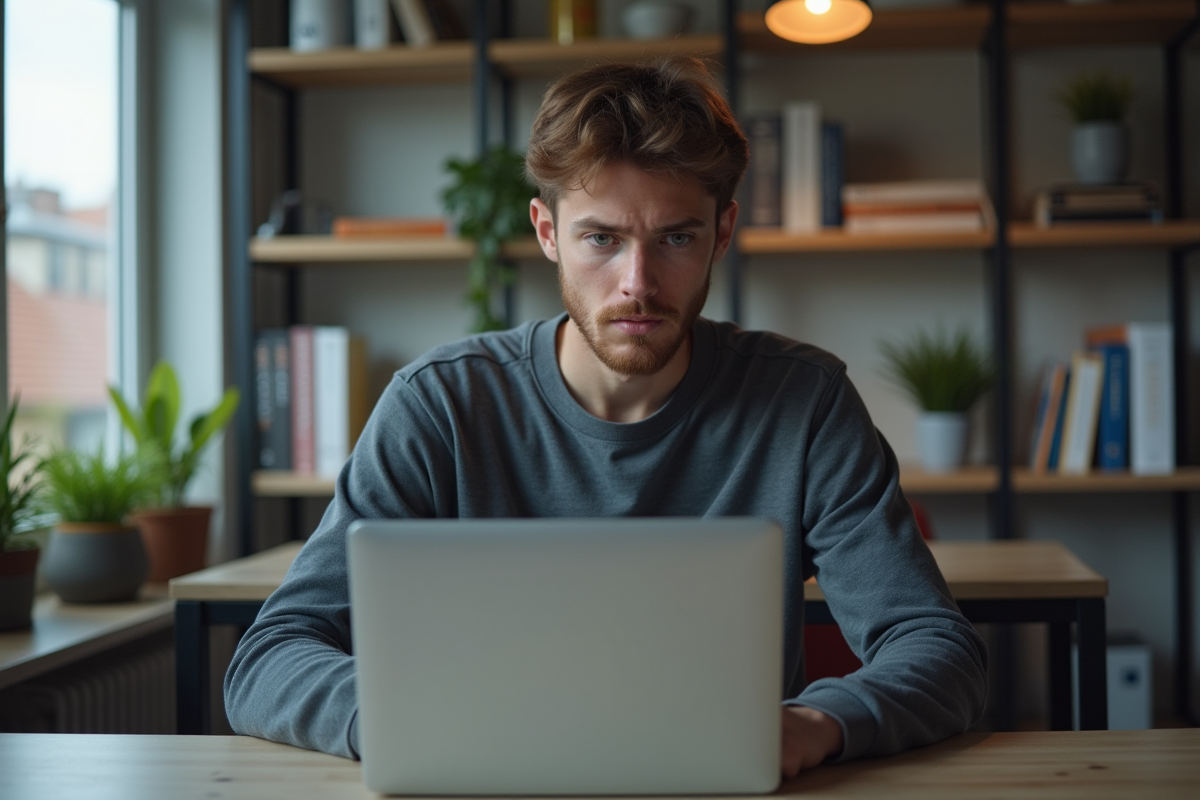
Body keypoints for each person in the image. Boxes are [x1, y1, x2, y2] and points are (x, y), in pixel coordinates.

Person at [225, 56, 987, 776]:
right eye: (601, 239)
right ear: (548, 232)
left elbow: (937, 649)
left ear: (722, 232)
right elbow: (269, 658)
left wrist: (820, 721)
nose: (639, 283)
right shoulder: (439, 407)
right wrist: (402, 719)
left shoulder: (805, 404)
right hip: (479, 783)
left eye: (676, 238)